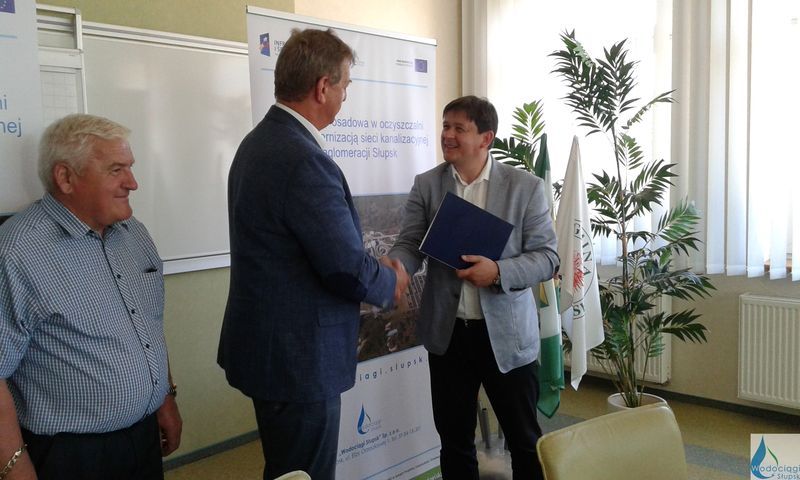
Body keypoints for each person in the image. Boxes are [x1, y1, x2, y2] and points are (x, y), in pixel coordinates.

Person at [217, 28, 409, 480]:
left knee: (287, 470)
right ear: (323, 87)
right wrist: (391, 281)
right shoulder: (303, 159)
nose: (345, 97)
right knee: (304, 474)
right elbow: (344, 266)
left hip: (274, 350)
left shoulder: (258, 142)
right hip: (298, 359)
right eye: (345, 86)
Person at [0, 114, 182, 480]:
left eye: (130, 167)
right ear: (65, 178)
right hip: (71, 455)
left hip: (143, 435)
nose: (132, 182)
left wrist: (165, 398)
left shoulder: (133, 233)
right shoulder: (18, 252)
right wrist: (13, 466)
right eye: (116, 170)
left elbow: (148, 326)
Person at [388, 96, 559, 480]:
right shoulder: (427, 184)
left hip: (507, 338)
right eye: (445, 126)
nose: (447, 135)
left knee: (524, 441)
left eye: (458, 128)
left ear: (486, 138)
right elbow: (409, 243)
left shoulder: (524, 187)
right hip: (449, 336)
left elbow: (548, 257)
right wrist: (397, 266)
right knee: (454, 441)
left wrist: (498, 271)